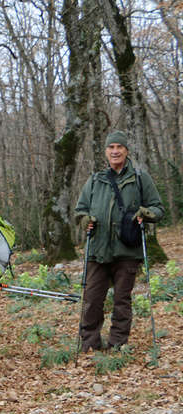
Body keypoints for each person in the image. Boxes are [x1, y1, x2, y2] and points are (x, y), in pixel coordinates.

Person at [74, 131, 164, 352]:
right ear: (106, 151)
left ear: (126, 150)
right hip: (98, 249)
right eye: (111, 147)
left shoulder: (140, 178)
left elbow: (158, 208)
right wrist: (85, 220)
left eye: (119, 147)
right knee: (92, 300)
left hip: (127, 250)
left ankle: (117, 344)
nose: (115, 151)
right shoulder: (95, 180)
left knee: (122, 301)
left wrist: (146, 213)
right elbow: (80, 210)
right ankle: (89, 344)